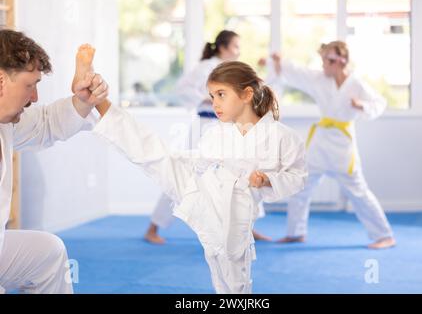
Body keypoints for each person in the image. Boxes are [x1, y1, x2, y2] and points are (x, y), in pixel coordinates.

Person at [92, 60, 307, 293]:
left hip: (235, 209)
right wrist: (183, 159)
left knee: (231, 276)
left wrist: (268, 180)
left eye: (221, 95)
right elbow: (203, 160)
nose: (214, 103)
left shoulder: (282, 136)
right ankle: (100, 104)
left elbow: (298, 176)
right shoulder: (217, 132)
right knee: (154, 154)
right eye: (212, 96)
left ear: (246, 94)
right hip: (202, 188)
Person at [0, 31, 109, 293]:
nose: (35, 97)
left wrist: (83, 101)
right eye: (30, 85)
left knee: (48, 254)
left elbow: (46, 122)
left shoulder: (6, 124)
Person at [266, 41, 396, 249]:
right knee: (300, 185)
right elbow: (298, 72)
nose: (323, 64)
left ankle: (384, 235)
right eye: (323, 59)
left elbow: (379, 103)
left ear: (340, 61)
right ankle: (295, 232)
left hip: (342, 146)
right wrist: (280, 62)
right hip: (320, 143)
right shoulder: (319, 79)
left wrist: (361, 105)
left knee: (359, 192)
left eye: (327, 60)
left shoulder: (357, 84)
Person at [146, 30, 270, 244]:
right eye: (235, 46)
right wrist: (206, 98)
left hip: (230, 127)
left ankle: (247, 227)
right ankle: (153, 228)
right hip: (205, 127)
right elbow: (182, 88)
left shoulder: (234, 70)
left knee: (245, 171)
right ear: (223, 47)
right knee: (183, 173)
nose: (238, 51)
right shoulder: (205, 67)